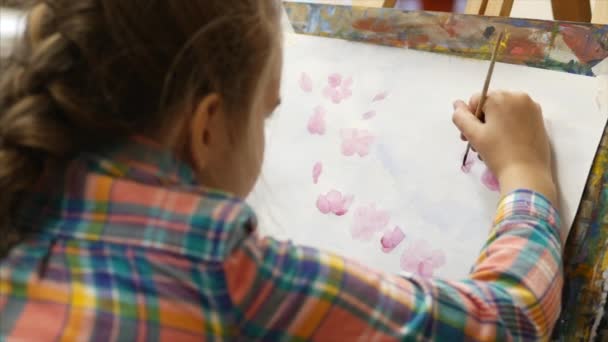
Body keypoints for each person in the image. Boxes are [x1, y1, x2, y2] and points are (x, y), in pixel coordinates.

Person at [0, 0, 561, 340]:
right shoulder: (225, 272)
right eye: (267, 113)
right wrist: (526, 169)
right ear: (208, 127)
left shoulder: (19, 181)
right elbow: (507, 323)